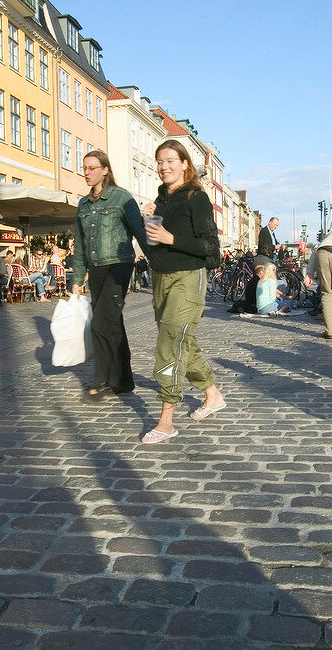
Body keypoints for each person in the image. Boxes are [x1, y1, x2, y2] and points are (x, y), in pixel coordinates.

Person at [140, 140, 225, 444]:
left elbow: (210, 248)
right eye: (160, 161)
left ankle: (166, 421)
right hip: (161, 278)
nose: (164, 166)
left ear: (185, 163)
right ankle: (212, 394)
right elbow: (153, 245)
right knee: (183, 341)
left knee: (170, 342)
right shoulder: (161, 200)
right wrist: (147, 221)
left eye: (170, 161)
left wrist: (169, 236)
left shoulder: (196, 197)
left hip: (188, 279)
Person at [70, 149, 149, 400]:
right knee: (112, 321)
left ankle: (101, 378)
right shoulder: (83, 204)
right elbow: (80, 244)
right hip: (95, 269)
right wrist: (77, 279)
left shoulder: (121, 198)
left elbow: (141, 231)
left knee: (101, 321)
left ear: (105, 169)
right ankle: (124, 380)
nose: (87, 172)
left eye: (92, 168)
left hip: (119, 266)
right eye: (84, 168)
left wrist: (159, 263)